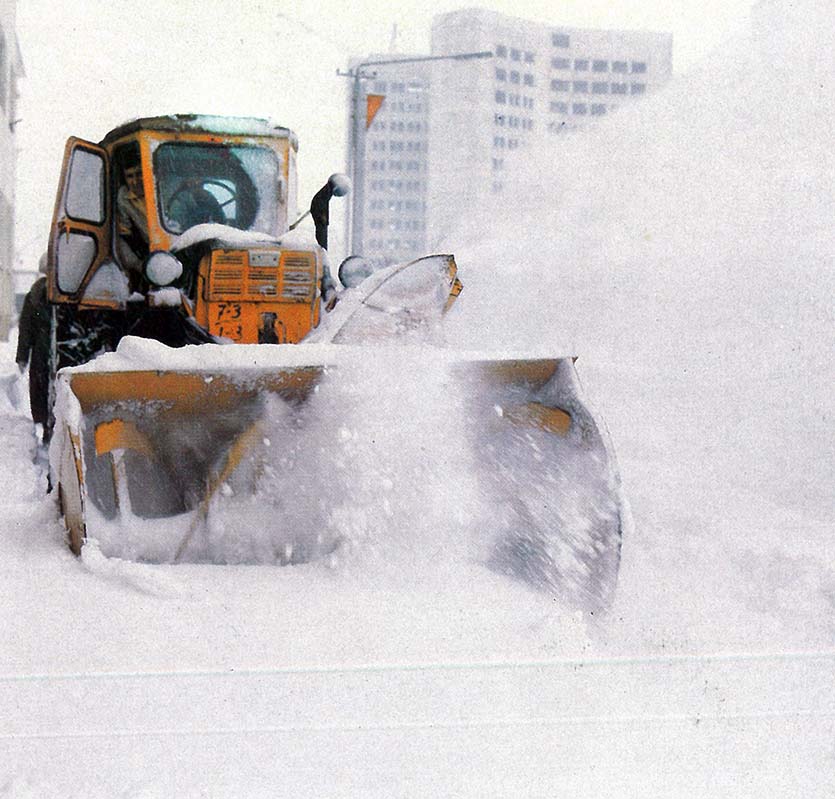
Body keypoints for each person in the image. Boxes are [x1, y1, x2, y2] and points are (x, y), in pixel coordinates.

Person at [16, 256, 52, 437]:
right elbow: (26, 328)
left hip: (50, 351)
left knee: (48, 389)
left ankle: (51, 426)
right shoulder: (35, 295)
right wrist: (22, 356)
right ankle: (47, 427)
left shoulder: (36, 294)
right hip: (42, 352)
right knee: (43, 388)